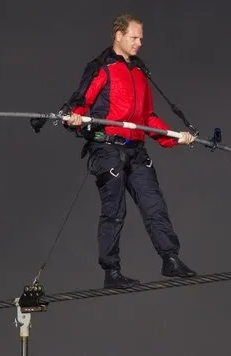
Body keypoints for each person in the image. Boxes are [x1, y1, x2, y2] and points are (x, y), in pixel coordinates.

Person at [61, 14, 197, 289]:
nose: (139, 43)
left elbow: (147, 118)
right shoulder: (101, 68)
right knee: (114, 211)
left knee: (154, 205)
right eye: (134, 37)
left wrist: (176, 137)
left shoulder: (139, 72)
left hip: (136, 152)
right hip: (108, 149)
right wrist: (74, 118)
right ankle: (112, 272)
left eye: (141, 39)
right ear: (118, 35)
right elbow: (80, 103)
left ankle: (170, 259)